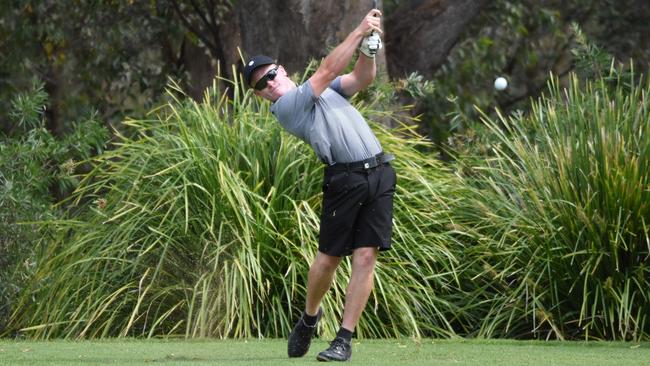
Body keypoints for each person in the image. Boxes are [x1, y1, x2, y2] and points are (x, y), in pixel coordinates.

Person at [242, 8, 395, 362]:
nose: (270, 84)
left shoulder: (326, 92)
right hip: (344, 179)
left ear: (282, 70)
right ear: (261, 96)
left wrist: (368, 51)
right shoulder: (288, 108)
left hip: (380, 173)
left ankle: (344, 339)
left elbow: (360, 79)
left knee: (366, 256)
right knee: (328, 260)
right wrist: (359, 31)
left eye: (271, 75)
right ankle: (310, 318)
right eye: (261, 85)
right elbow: (327, 71)